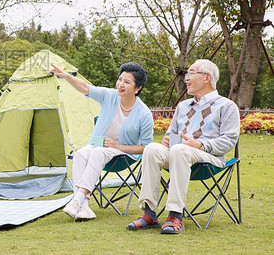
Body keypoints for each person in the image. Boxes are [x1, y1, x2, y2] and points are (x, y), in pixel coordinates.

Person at [127, 59, 240, 234]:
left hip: (210, 158)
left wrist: (201, 144)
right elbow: (172, 134)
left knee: (180, 149)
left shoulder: (226, 106)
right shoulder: (183, 106)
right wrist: (166, 140)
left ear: (206, 78)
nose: (186, 78)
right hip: (179, 155)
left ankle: (175, 214)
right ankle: (149, 213)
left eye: (191, 72)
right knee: (151, 149)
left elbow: (230, 140)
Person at [48, 62, 154, 221]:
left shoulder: (144, 113)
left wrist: (118, 146)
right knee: (80, 154)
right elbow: (85, 88)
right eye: (120, 79)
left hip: (124, 153)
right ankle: (83, 206)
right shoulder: (110, 96)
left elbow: (146, 147)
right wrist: (65, 76)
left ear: (137, 88)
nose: (121, 84)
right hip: (99, 146)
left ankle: (77, 199)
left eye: (127, 82)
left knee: (97, 152)